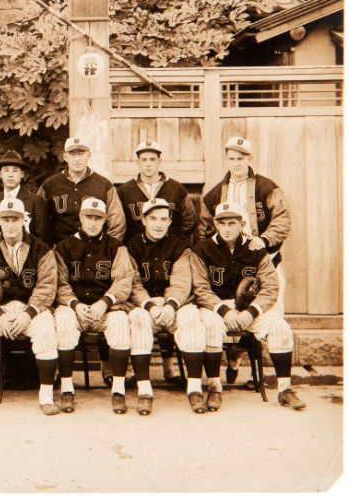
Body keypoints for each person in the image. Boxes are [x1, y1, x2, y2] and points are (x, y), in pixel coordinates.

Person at [191, 202, 305, 411]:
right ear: (215, 224)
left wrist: (252, 312)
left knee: (279, 327)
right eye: (222, 223)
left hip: (250, 307)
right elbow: (200, 288)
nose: (226, 228)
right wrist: (224, 311)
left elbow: (271, 287)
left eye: (232, 223)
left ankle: (284, 389)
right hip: (216, 306)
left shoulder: (255, 249)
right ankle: (215, 388)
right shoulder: (203, 249)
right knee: (210, 327)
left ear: (242, 224)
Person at [0, 199, 59, 416]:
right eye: (6, 219)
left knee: (46, 332)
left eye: (15, 219)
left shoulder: (41, 248)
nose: (11, 225)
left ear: (24, 220)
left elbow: (47, 287)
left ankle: (46, 397)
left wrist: (28, 314)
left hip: (32, 307)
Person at [124, 198, 208, 415]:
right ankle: (144, 390)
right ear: (143, 220)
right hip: (144, 304)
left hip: (175, 303)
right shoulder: (131, 246)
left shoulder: (180, 246)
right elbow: (132, 283)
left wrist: (170, 305)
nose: (158, 224)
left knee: (191, 318)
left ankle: (195, 388)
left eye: (163, 219)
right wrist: (150, 305)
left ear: (170, 221)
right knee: (138, 320)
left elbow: (181, 282)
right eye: (152, 219)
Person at [54, 197, 136, 414]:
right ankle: (67, 388)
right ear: (80, 218)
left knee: (120, 322)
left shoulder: (116, 247)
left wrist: (106, 302)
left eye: (97, 218)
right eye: (88, 217)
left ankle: (118, 390)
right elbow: (59, 283)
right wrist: (74, 304)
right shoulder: (64, 247)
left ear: (105, 220)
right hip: (75, 306)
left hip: (106, 307)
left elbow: (124, 280)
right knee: (63, 321)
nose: (92, 222)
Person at [38, 137, 125, 244]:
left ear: (89, 155)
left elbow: (117, 224)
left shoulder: (104, 185)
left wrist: (107, 250)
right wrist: (49, 251)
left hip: (95, 250)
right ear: (65, 156)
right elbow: (39, 223)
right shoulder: (50, 185)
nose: (77, 159)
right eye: (72, 154)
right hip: (60, 252)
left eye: (81, 153)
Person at [116, 140, 198, 245]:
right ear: (137, 162)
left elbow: (190, 221)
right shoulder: (125, 190)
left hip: (169, 251)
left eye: (152, 159)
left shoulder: (176, 188)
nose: (148, 164)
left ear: (159, 161)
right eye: (144, 160)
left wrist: (174, 241)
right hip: (137, 251)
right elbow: (119, 224)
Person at [0, 150, 49, 243]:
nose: (10, 175)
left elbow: (42, 236)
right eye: (6, 170)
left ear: (22, 174)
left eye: (15, 170)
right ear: (0, 174)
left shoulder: (35, 201)